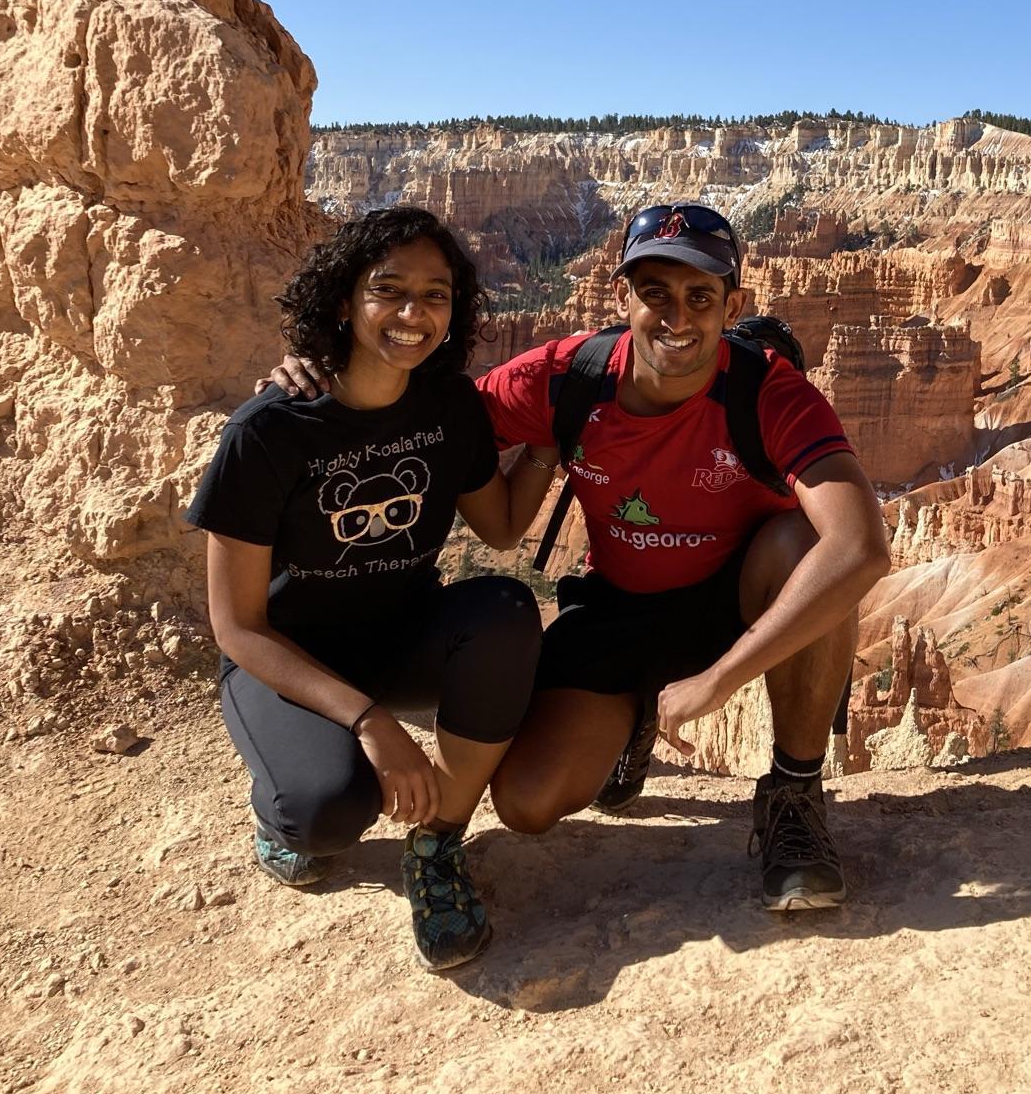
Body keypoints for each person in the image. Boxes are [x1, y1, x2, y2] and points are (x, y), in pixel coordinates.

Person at [271, 202, 891, 913]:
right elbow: (422, 414)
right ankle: (634, 717)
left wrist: (719, 680)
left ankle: (793, 793)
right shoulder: (570, 377)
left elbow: (860, 546)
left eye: (700, 296)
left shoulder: (769, 390)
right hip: (618, 610)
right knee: (529, 804)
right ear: (620, 295)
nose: (676, 317)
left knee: (806, 543)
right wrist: (323, 376)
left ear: (734, 304)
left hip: (740, 598)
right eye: (654, 293)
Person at [187, 207, 552, 973]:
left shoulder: (448, 406)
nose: (413, 315)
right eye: (389, 291)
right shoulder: (270, 429)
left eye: (436, 295)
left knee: (506, 612)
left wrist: (554, 439)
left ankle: (436, 844)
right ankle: (276, 815)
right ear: (345, 300)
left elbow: (502, 531)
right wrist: (371, 722)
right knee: (324, 815)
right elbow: (238, 627)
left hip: (400, 634)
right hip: (285, 659)